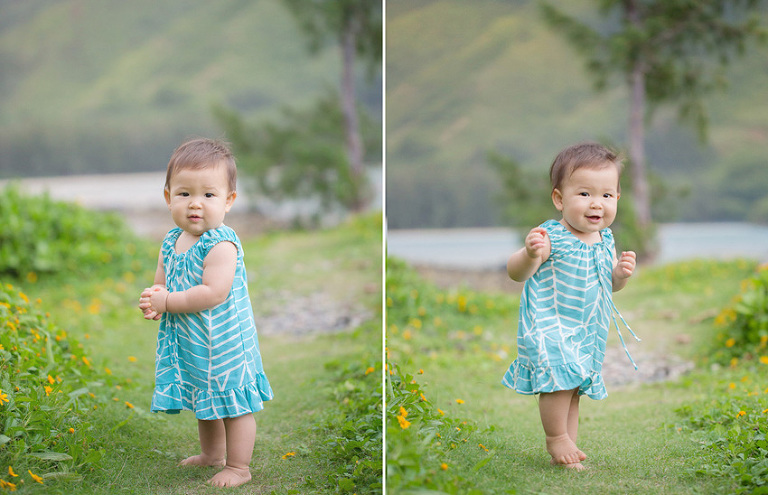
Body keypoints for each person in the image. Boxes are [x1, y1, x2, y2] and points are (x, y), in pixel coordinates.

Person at [138, 138, 274, 487]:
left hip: (225, 343)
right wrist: (154, 301)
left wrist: (168, 301)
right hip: (194, 344)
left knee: (234, 405)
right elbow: (161, 284)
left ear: (228, 201)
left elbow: (213, 293)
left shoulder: (221, 244)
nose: (195, 204)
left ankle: (239, 467)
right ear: (168, 198)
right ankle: (212, 455)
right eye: (184, 194)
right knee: (205, 399)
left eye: (209, 195)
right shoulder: (171, 241)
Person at [501, 142, 638, 470]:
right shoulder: (552, 236)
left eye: (606, 195)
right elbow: (516, 273)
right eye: (584, 194)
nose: (596, 204)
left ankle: (568, 447)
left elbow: (610, 286)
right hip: (551, 325)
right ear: (559, 199)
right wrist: (530, 254)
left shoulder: (606, 239)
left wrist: (620, 275)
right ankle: (556, 439)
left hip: (586, 330)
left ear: (617, 199)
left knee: (573, 388)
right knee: (558, 382)